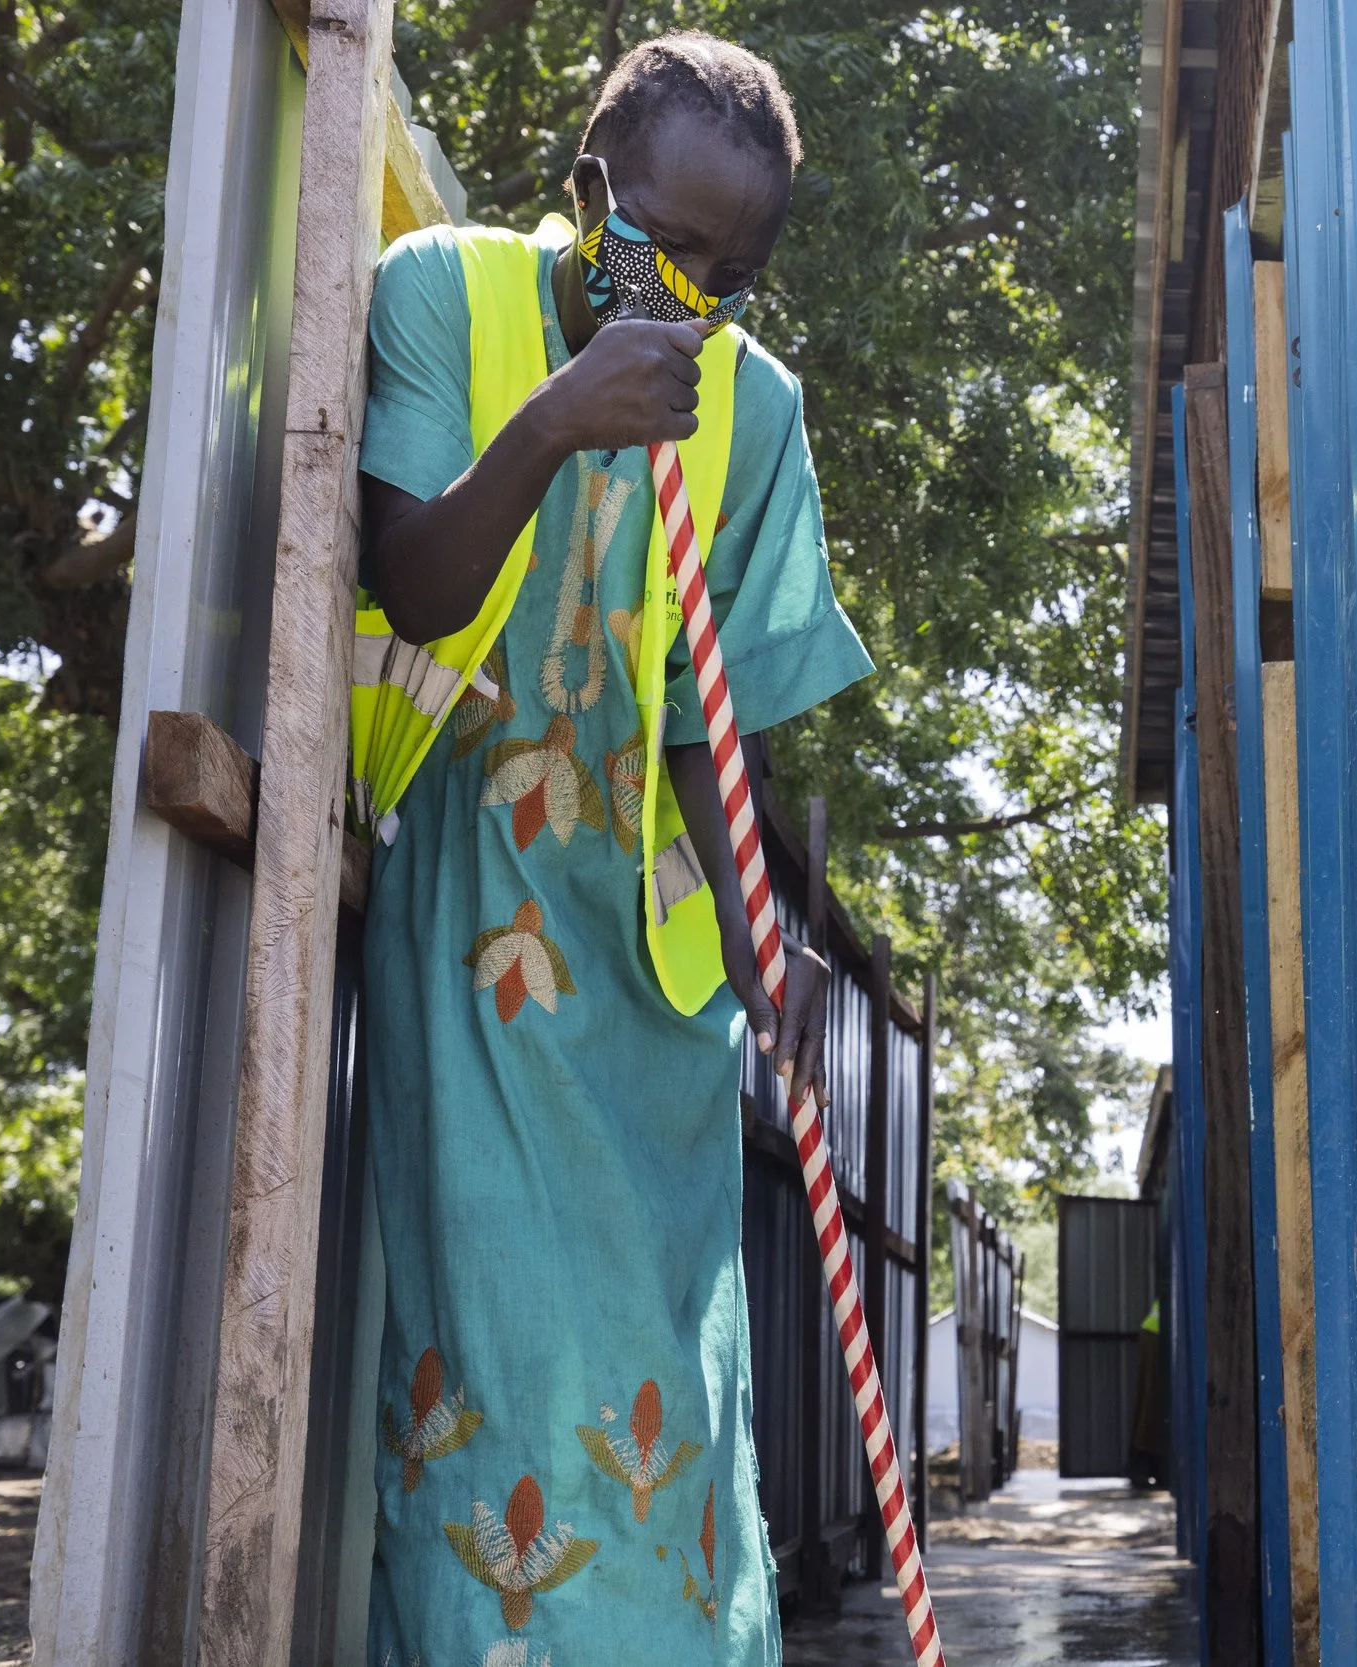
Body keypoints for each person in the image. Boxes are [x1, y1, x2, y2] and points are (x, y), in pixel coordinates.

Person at [354, 32, 869, 1666]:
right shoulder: (448, 294)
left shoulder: (752, 415)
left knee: (662, 1381)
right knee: (493, 1349)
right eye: (665, 242)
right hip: (468, 922)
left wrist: (759, 935)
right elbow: (412, 583)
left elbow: (726, 738)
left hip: (644, 984)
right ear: (590, 190)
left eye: (737, 275)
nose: (694, 295)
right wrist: (562, 418)